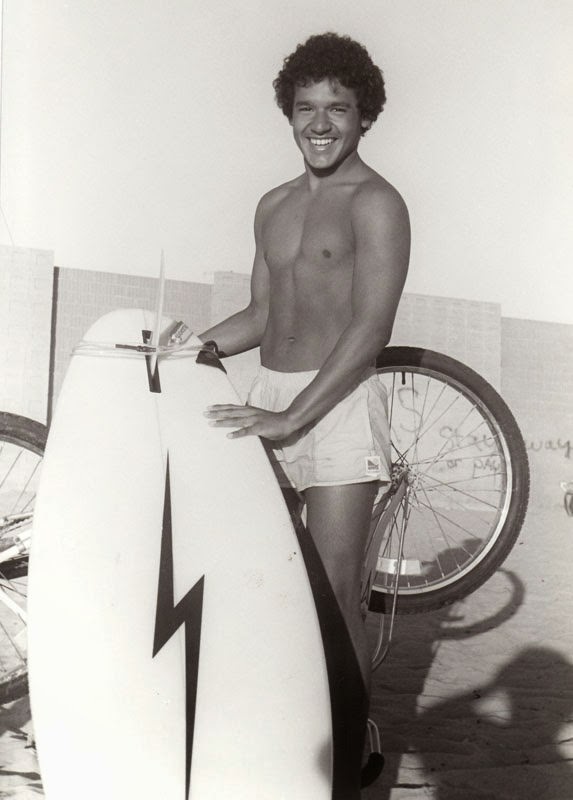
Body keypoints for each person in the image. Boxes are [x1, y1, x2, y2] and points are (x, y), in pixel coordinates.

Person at [200, 32, 410, 795]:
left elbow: (370, 330)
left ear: (364, 116)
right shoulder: (274, 205)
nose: (319, 124)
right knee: (255, 583)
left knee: (333, 593)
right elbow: (260, 313)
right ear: (288, 114)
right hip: (265, 400)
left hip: (338, 403)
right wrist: (191, 346)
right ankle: (280, 741)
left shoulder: (377, 203)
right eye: (305, 108)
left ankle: (346, 765)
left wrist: (296, 420)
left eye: (338, 109)